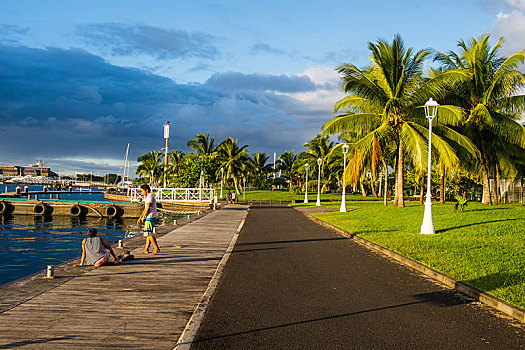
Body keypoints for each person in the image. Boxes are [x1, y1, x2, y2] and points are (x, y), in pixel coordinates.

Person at [137, 184, 161, 255]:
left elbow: (147, 208)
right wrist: (141, 217)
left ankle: (156, 248)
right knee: (148, 233)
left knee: (149, 234)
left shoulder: (150, 196)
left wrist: (143, 217)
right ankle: (146, 248)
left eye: (142, 190)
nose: (142, 192)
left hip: (150, 217)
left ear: (146, 190)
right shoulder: (149, 196)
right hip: (150, 216)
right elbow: (145, 208)